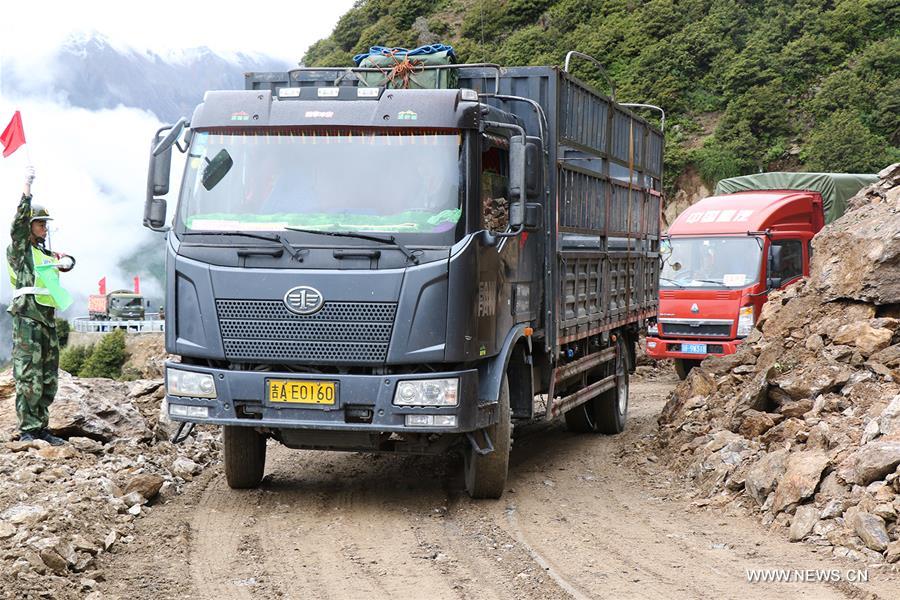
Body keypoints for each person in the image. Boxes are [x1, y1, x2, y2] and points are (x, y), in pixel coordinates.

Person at [7, 166, 74, 445]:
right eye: (40, 224)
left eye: (46, 224)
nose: (45, 228)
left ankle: (41, 426)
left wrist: (63, 262)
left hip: (46, 318)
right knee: (29, 374)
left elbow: (54, 277)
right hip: (27, 319)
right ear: (30, 226)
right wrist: (26, 186)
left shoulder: (45, 254)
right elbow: (18, 225)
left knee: (48, 377)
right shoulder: (21, 250)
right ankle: (28, 430)